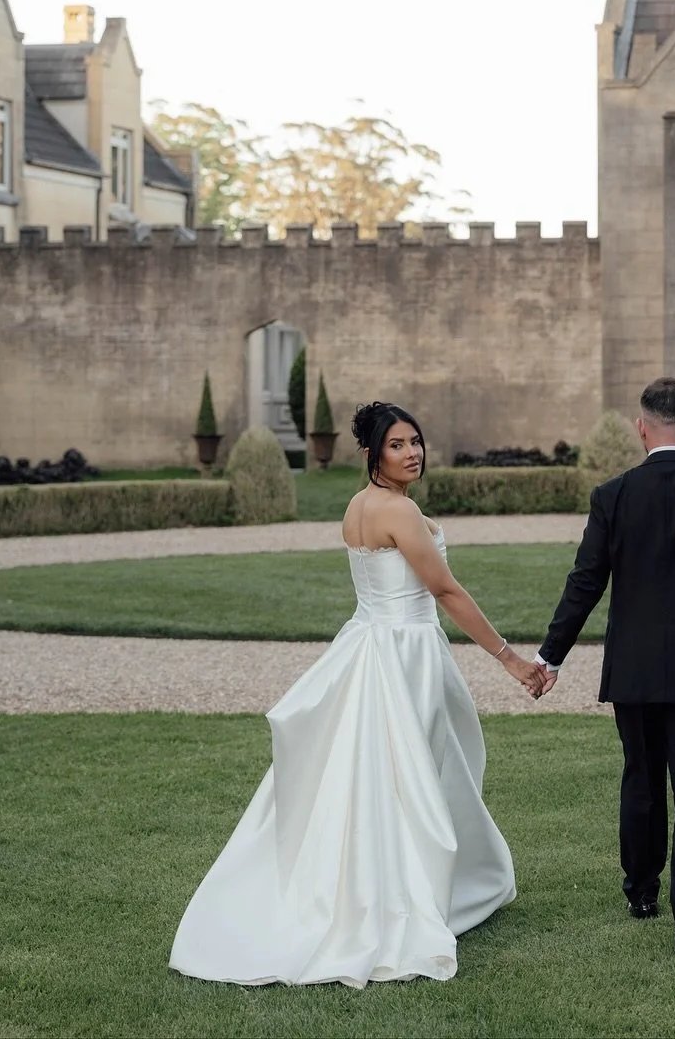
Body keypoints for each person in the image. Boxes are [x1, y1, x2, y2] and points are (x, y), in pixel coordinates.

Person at [169, 401, 541, 987]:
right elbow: (444, 591)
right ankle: (402, 897)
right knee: (408, 777)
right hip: (405, 654)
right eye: (397, 444)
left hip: (370, 644)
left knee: (379, 776)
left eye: (415, 440)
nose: (412, 452)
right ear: (372, 452)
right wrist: (512, 660)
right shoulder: (398, 511)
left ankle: (382, 882)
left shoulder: (357, 507)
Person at [533, 376, 675, 955]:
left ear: (642, 429)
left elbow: (585, 582)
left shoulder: (612, 496)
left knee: (641, 778)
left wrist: (549, 655)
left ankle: (641, 891)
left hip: (635, 670)